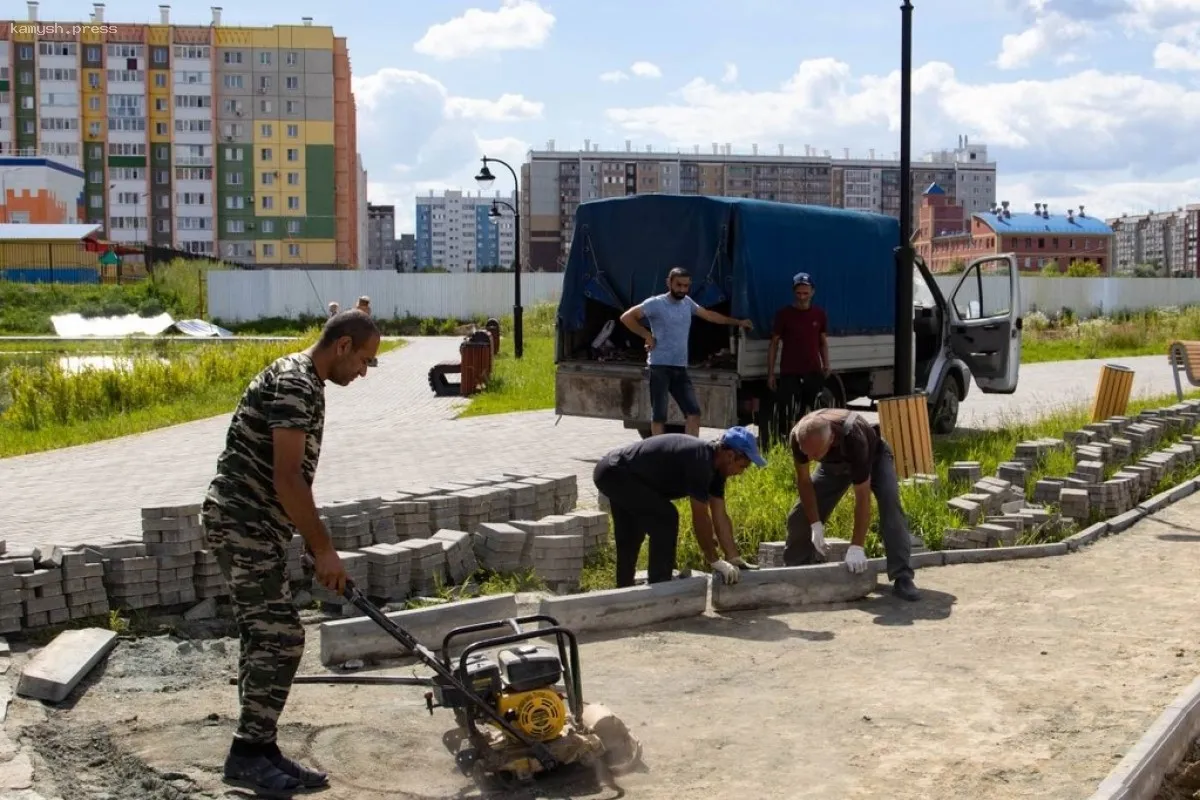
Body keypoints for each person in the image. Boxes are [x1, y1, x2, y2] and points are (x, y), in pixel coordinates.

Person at [200, 309, 381, 797]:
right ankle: (245, 755)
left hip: (256, 526)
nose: (364, 372)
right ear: (342, 345)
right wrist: (323, 550)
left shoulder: (299, 378)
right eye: (365, 360)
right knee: (281, 637)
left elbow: (282, 480)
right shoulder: (298, 385)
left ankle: (260, 749)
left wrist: (299, 539)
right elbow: (287, 476)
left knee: (262, 637)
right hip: (242, 525)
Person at [593, 426, 765, 588]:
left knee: (631, 534)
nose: (741, 472)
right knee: (666, 518)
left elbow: (719, 515)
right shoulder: (701, 461)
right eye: (742, 466)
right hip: (614, 472)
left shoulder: (718, 471)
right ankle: (661, 589)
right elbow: (700, 516)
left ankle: (625, 592)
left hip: (624, 475)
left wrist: (733, 557)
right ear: (730, 456)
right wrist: (713, 560)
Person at [782, 408, 920, 601]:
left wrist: (857, 547)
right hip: (833, 467)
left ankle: (902, 576)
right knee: (799, 515)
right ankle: (796, 573)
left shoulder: (854, 437)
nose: (810, 458)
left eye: (815, 453)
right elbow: (804, 482)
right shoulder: (799, 438)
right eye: (807, 453)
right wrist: (815, 524)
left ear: (830, 440)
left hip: (873, 459)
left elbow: (862, 498)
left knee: (890, 504)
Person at [620, 267, 752, 437]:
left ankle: (691, 451)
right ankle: (658, 453)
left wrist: (738, 322)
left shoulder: (687, 303)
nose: (682, 289)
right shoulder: (655, 303)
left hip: (680, 368)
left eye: (686, 286)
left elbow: (710, 315)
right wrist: (646, 335)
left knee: (694, 413)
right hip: (659, 366)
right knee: (659, 415)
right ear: (669, 283)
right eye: (679, 285)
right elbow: (626, 317)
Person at [766, 272, 830, 443]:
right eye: (799, 293)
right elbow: (774, 344)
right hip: (790, 372)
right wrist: (771, 373)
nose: (802, 297)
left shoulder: (819, 314)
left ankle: (814, 444)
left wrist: (826, 364)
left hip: (813, 370)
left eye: (805, 293)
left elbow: (822, 341)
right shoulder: (784, 315)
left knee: (815, 412)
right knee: (789, 411)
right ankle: (792, 444)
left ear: (812, 292)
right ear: (794, 293)